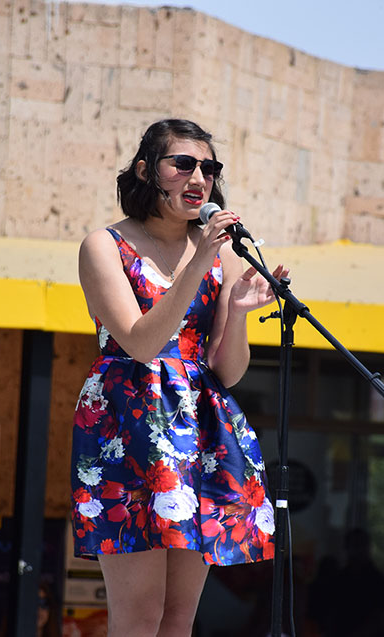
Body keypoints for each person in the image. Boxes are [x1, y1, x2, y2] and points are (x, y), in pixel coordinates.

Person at [70, 118, 287, 636]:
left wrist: (238, 313)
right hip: (126, 425)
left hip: (200, 430)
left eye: (209, 169)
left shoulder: (220, 255)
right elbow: (140, 343)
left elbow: (227, 371)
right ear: (146, 170)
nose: (199, 178)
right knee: (140, 614)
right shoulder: (104, 245)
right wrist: (200, 261)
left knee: (177, 616)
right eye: (183, 164)